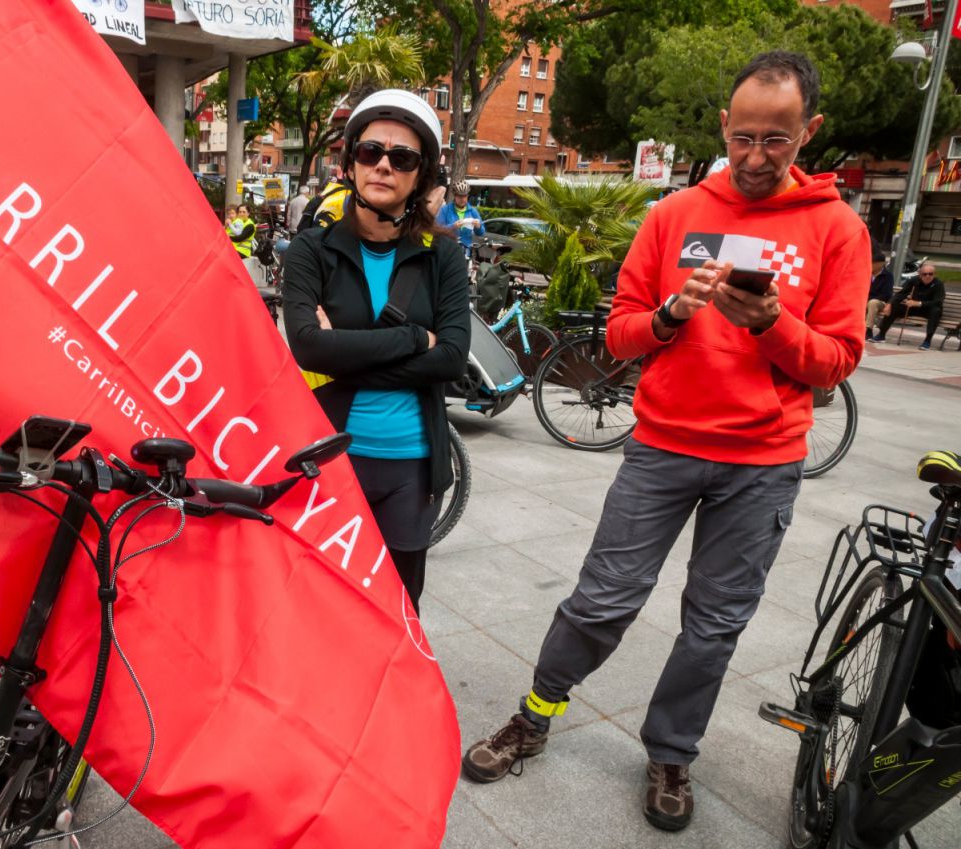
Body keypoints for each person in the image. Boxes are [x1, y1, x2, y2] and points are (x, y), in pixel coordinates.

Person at [461, 51, 867, 832]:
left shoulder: (837, 228)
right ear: (723, 125)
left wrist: (773, 325)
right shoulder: (673, 215)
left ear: (808, 132)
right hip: (663, 447)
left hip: (763, 464)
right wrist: (672, 314)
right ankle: (536, 713)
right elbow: (618, 335)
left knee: (714, 626)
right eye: (742, 136)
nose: (755, 155)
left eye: (776, 140)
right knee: (602, 600)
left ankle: (672, 752)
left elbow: (837, 359)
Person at [282, 89, 470, 613]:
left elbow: (452, 359)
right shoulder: (312, 250)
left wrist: (343, 354)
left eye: (402, 158)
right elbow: (308, 348)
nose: (383, 165)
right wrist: (413, 339)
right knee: (320, 608)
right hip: (331, 461)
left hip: (413, 467)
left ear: (420, 175)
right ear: (350, 163)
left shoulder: (443, 256)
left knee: (399, 612)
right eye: (370, 152)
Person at [872, 262, 946, 350]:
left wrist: (919, 303)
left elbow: (938, 302)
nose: (928, 276)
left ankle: (927, 340)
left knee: (936, 311)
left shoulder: (938, 284)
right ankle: (881, 335)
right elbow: (902, 293)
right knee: (894, 307)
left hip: (928, 309)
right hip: (913, 307)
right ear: (920, 274)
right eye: (925, 274)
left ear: (934, 274)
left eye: (930, 274)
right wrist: (890, 304)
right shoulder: (914, 280)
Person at [435, 180, 486, 259]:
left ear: (467, 196)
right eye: (459, 196)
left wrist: (478, 226)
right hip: (448, 250)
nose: (462, 199)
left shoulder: (473, 211)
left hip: (466, 250)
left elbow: (481, 233)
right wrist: (453, 226)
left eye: (464, 196)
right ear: (455, 196)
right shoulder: (445, 210)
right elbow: (438, 230)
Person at [865, 248, 894, 341]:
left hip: (881, 302)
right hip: (866, 301)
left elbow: (887, 293)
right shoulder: (866, 274)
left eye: (873, 263)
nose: (871, 265)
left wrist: (869, 299)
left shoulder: (888, 276)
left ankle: (868, 330)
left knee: (873, 303)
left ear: (881, 264)